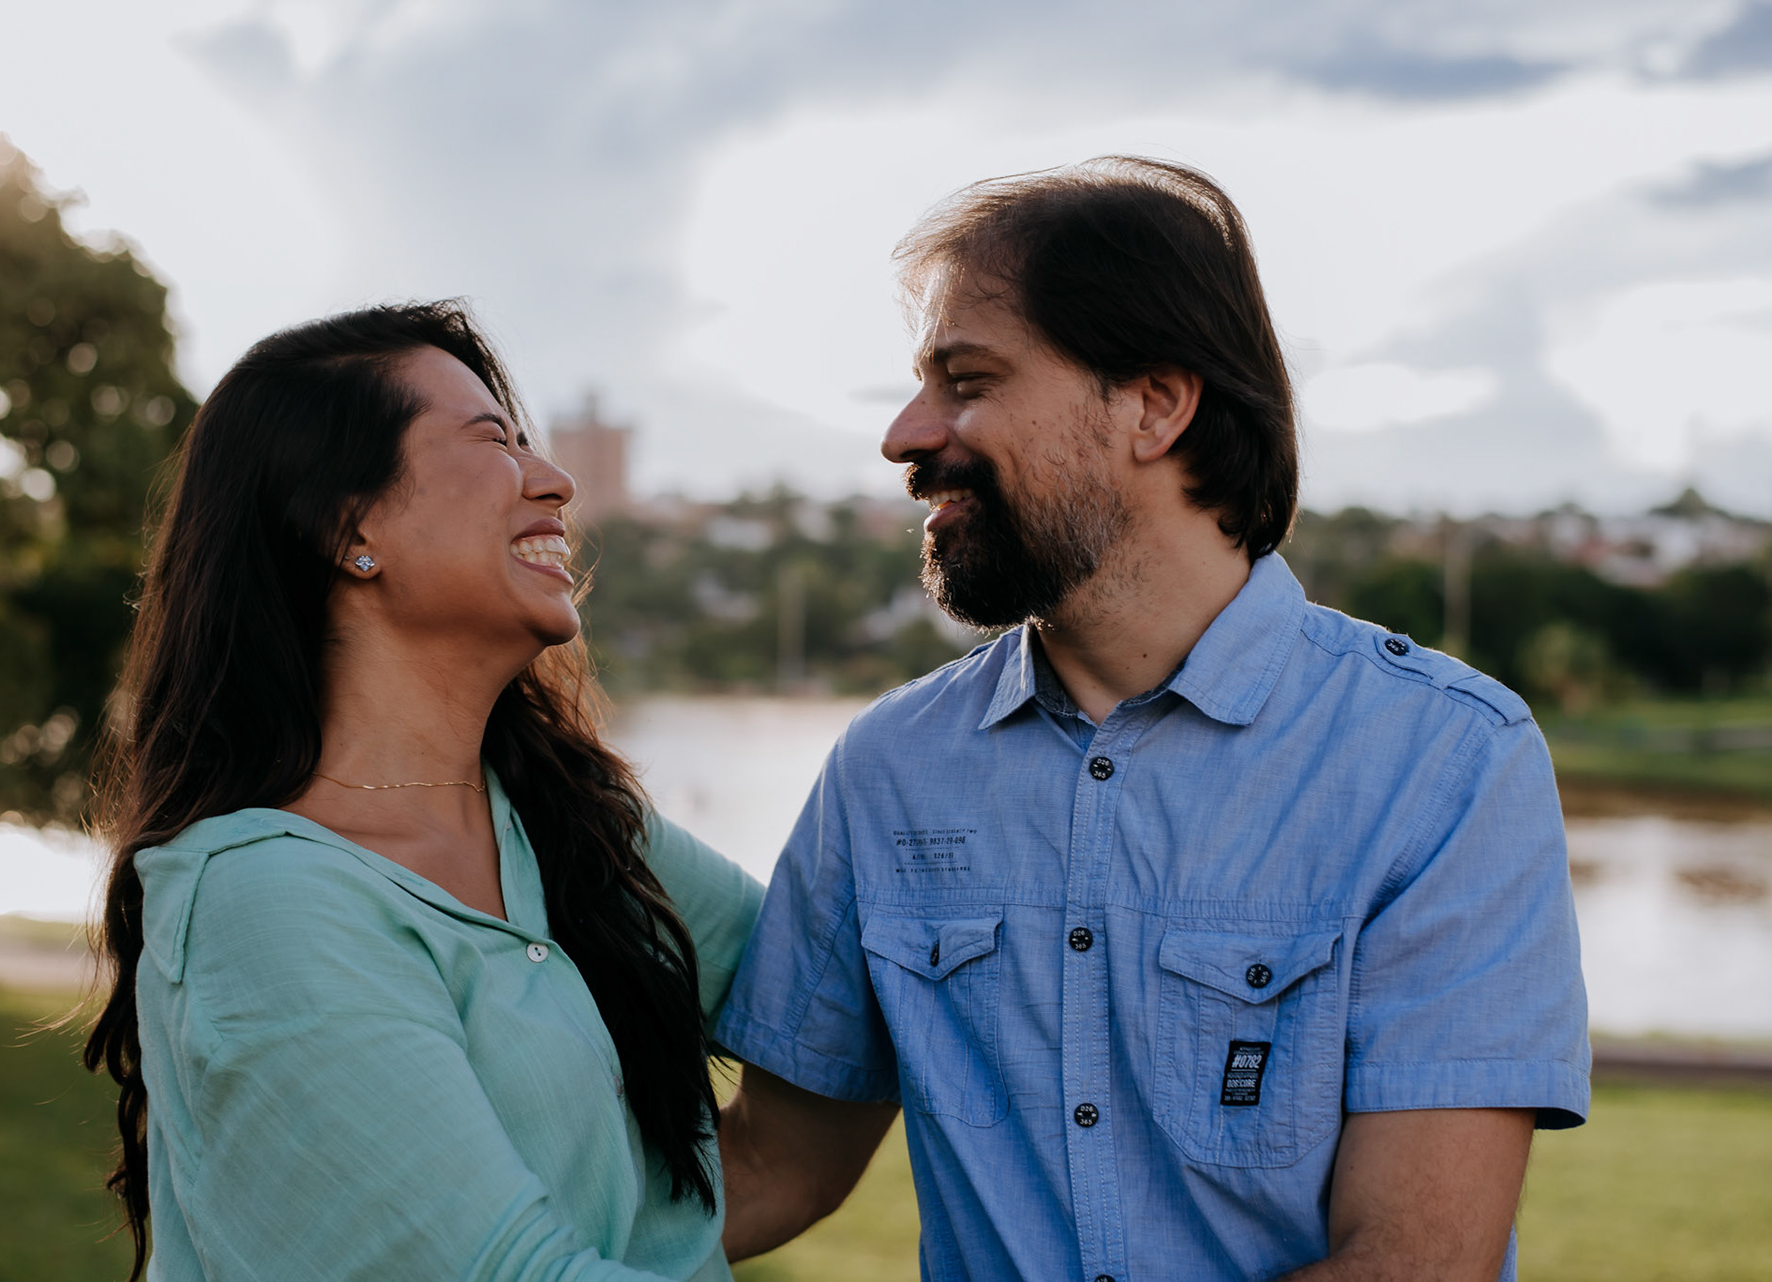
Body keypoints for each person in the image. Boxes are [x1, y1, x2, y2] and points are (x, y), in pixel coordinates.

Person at [714, 158, 1590, 1281]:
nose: (904, 435)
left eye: (967, 381)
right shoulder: (888, 766)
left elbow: (1416, 1265)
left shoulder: (1447, 761)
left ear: (1156, 404)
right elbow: (771, 1166)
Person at [82, 302, 763, 1282]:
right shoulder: (263, 905)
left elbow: (834, 985)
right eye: (493, 440)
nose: (554, 480)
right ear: (349, 525)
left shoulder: (562, 818)